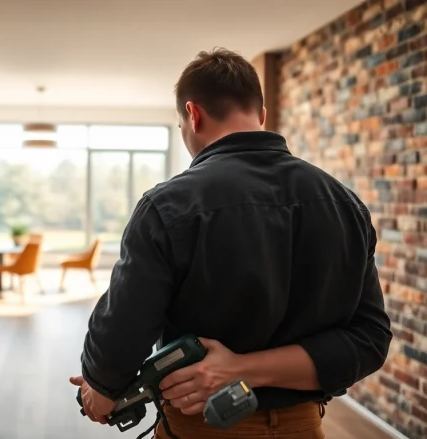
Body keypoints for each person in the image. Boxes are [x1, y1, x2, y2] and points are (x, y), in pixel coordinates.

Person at [69, 48, 392, 439]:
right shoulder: (345, 204)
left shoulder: (168, 206)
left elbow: (121, 332)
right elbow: (370, 339)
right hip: (305, 427)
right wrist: (244, 370)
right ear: (261, 115)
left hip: (201, 428)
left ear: (193, 115)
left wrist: (100, 389)